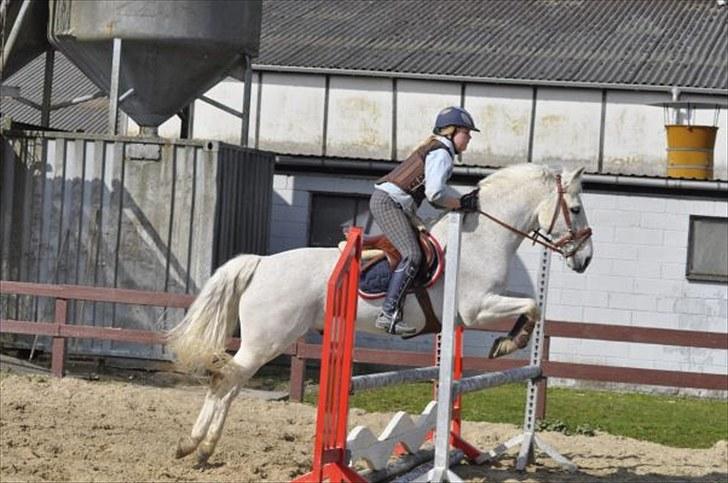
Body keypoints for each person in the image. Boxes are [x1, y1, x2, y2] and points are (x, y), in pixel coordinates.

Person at [370, 106, 481, 335]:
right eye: (467, 133)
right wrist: (461, 204)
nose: (469, 138)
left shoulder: (439, 148)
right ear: (452, 131)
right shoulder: (442, 152)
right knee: (413, 254)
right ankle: (388, 312)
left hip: (397, 204)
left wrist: (458, 201)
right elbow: (436, 195)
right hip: (388, 203)